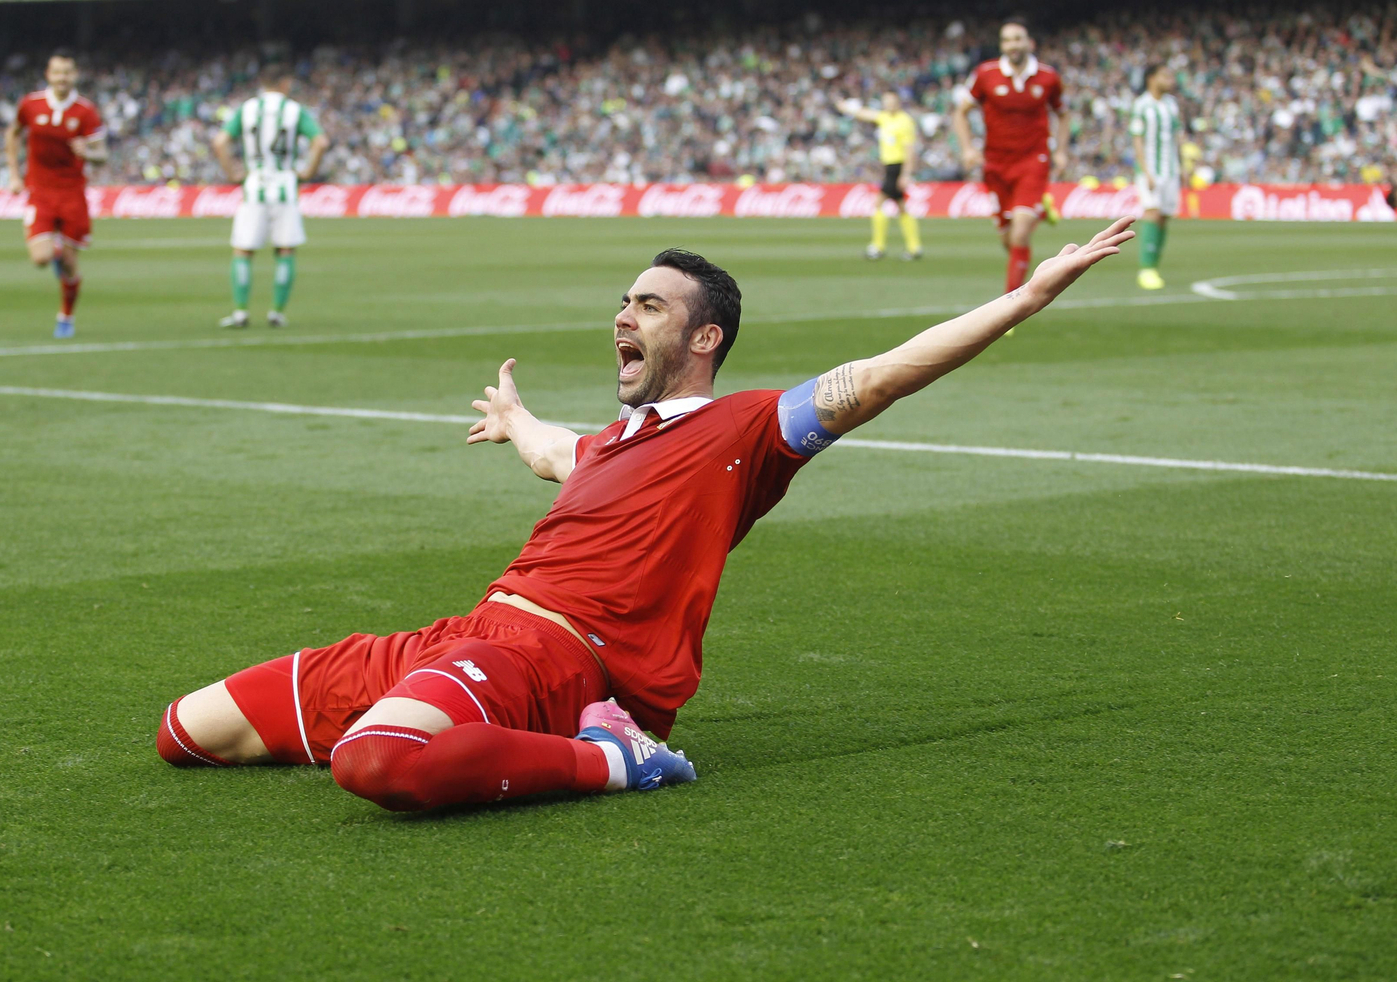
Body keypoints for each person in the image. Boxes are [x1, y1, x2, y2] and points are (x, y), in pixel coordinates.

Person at [156, 219, 1136, 812]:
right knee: (187, 731)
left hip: (556, 660)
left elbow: (877, 377)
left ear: (704, 335)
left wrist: (1028, 294)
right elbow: (553, 455)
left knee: (379, 761)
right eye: (624, 299)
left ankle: (614, 758)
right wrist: (516, 419)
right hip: (466, 636)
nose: (624, 314)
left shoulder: (744, 429)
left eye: (651, 306)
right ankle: (453, 728)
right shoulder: (605, 448)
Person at [952, 20, 1070, 294]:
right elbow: (960, 112)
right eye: (1007, 40)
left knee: (1020, 233)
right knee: (1008, 239)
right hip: (995, 164)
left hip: (1033, 160)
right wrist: (968, 148)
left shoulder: (1048, 77)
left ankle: (1011, 302)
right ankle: (1041, 208)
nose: (1013, 45)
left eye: (1018, 39)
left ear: (1030, 43)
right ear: (1001, 45)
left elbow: (1063, 114)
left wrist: (1061, 151)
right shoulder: (985, 74)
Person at [210, 62, 331, 329]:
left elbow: (220, 142)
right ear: (285, 83)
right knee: (285, 250)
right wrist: (307, 170)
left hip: (254, 186)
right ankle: (276, 312)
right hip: (285, 186)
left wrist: (233, 173)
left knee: (243, 251)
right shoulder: (294, 110)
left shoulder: (247, 109)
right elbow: (320, 142)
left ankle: (241, 312)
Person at [4, 49, 107, 339]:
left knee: (71, 264)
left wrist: (88, 153)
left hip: (73, 193)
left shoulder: (85, 111)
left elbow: (103, 154)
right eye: (57, 72)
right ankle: (56, 252)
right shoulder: (31, 105)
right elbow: (12, 134)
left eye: (67, 72)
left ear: (74, 75)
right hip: (40, 191)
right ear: (49, 75)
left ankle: (66, 316)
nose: (62, 78)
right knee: (41, 258)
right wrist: (13, 173)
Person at [835, 91, 923, 261]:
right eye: (885, 101)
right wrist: (845, 107)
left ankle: (878, 247)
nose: (887, 104)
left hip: (897, 167)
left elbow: (909, 150)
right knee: (901, 207)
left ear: (898, 102)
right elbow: (865, 114)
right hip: (890, 167)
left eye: (890, 101)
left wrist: (906, 174)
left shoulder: (904, 121)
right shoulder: (885, 117)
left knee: (878, 204)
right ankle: (914, 247)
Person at [1128, 62, 1183, 290]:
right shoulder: (1142, 105)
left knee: (1164, 216)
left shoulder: (1171, 104)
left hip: (1171, 170)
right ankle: (1146, 269)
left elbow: (1177, 135)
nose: (1171, 80)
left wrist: (1184, 165)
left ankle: (1154, 266)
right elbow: (1137, 139)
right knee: (1152, 212)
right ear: (1151, 78)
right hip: (1150, 170)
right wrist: (1145, 170)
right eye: (1165, 75)